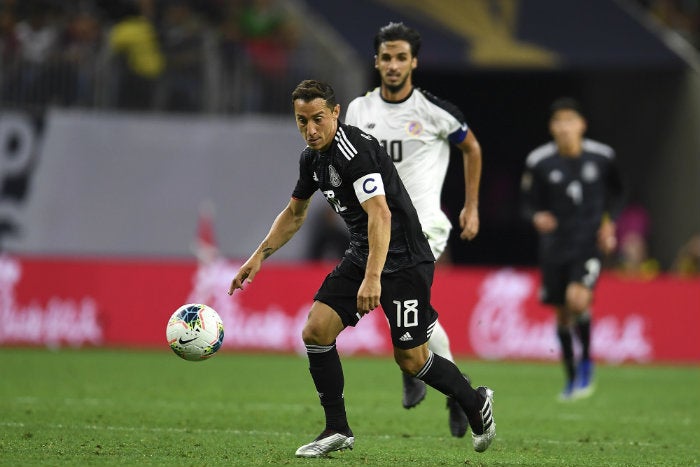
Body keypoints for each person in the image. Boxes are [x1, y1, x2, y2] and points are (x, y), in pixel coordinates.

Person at [228, 80, 496, 457]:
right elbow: (294, 213)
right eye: (302, 121)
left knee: (411, 359)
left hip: (402, 258)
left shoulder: (355, 152)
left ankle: (474, 401)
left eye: (318, 119)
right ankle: (337, 428)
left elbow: (380, 214)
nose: (310, 129)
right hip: (363, 252)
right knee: (316, 330)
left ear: (336, 113)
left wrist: (373, 278)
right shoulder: (312, 158)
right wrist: (258, 255)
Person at [345, 22, 482, 438]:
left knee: (402, 299)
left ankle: (426, 373)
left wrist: (471, 206)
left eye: (401, 57)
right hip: (380, 227)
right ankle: (449, 386)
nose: (393, 64)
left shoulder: (433, 111)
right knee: (406, 307)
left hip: (426, 228)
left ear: (414, 62)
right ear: (376, 61)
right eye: (386, 57)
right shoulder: (358, 111)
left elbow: (471, 146)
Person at [520, 97, 625, 400]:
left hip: (588, 242)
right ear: (551, 127)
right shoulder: (539, 161)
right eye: (558, 122)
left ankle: (587, 364)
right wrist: (537, 215)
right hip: (555, 246)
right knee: (563, 314)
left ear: (582, 125)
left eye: (570, 121)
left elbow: (618, 193)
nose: (564, 127)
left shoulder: (603, 157)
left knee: (577, 300)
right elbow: (527, 202)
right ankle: (571, 377)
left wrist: (610, 224)